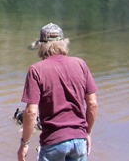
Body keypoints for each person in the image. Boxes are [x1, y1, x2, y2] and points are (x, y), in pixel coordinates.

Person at [17, 23, 98, 161]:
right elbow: (93, 104)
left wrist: (24, 144)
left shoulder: (36, 70)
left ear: (42, 45)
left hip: (53, 142)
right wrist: (87, 133)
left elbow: (31, 112)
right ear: (63, 44)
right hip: (79, 140)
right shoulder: (80, 64)